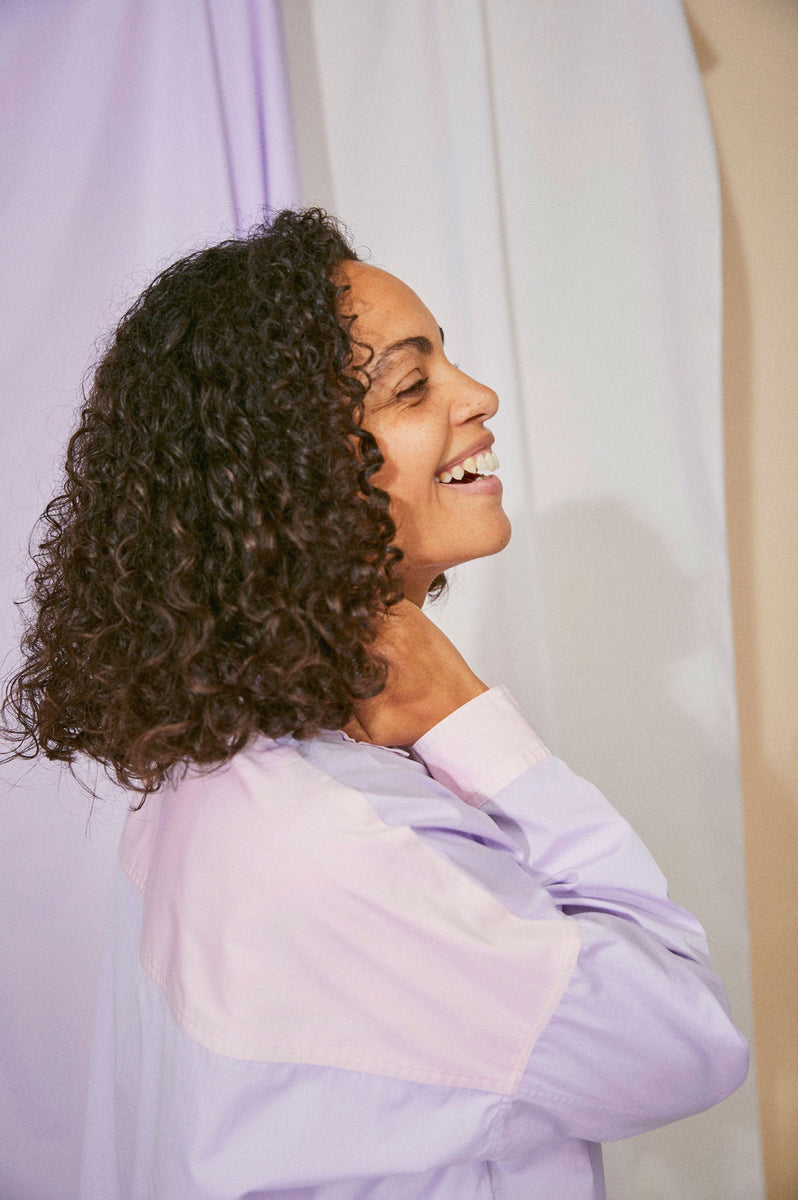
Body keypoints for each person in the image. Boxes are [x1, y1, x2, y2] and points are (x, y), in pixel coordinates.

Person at [2, 208, 748, 1199]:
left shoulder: (214, 779)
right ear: (287, 472)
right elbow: (680, 1044)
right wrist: (477, 727)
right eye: (410, 383)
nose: (479, 395)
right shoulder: (337, 840)